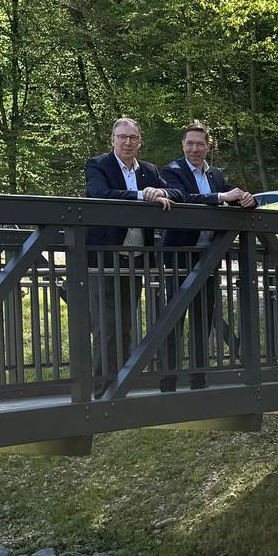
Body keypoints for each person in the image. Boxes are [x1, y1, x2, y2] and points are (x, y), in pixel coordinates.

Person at [83, 117, 182, 393]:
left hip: (136, 258)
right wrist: (143, 196)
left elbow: (178, 192)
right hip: (102, 257)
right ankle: (103, 388)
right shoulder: (98, 164)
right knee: (106, 326)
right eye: (122, 137)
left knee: (126, 323)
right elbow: (99, 194)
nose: (127, 142)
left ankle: (122, 384)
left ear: (140, 141)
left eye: (133, 138)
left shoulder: (148, 170)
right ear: (112, 140)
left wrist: (160, 190)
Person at [162, 122, 255, 387]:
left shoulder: (215, 174)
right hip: (179, 255)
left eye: (200, 144)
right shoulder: (172, 171)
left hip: (209, 256)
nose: (194, 149)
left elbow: (230, 197)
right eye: (189, 144)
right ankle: (168, 380)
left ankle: (198, 379)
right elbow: (183, 199)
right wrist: (220, 197)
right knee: (173, 319)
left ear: (208, 147)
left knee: (203, 318)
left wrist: (248, 200)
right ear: (182, 145)